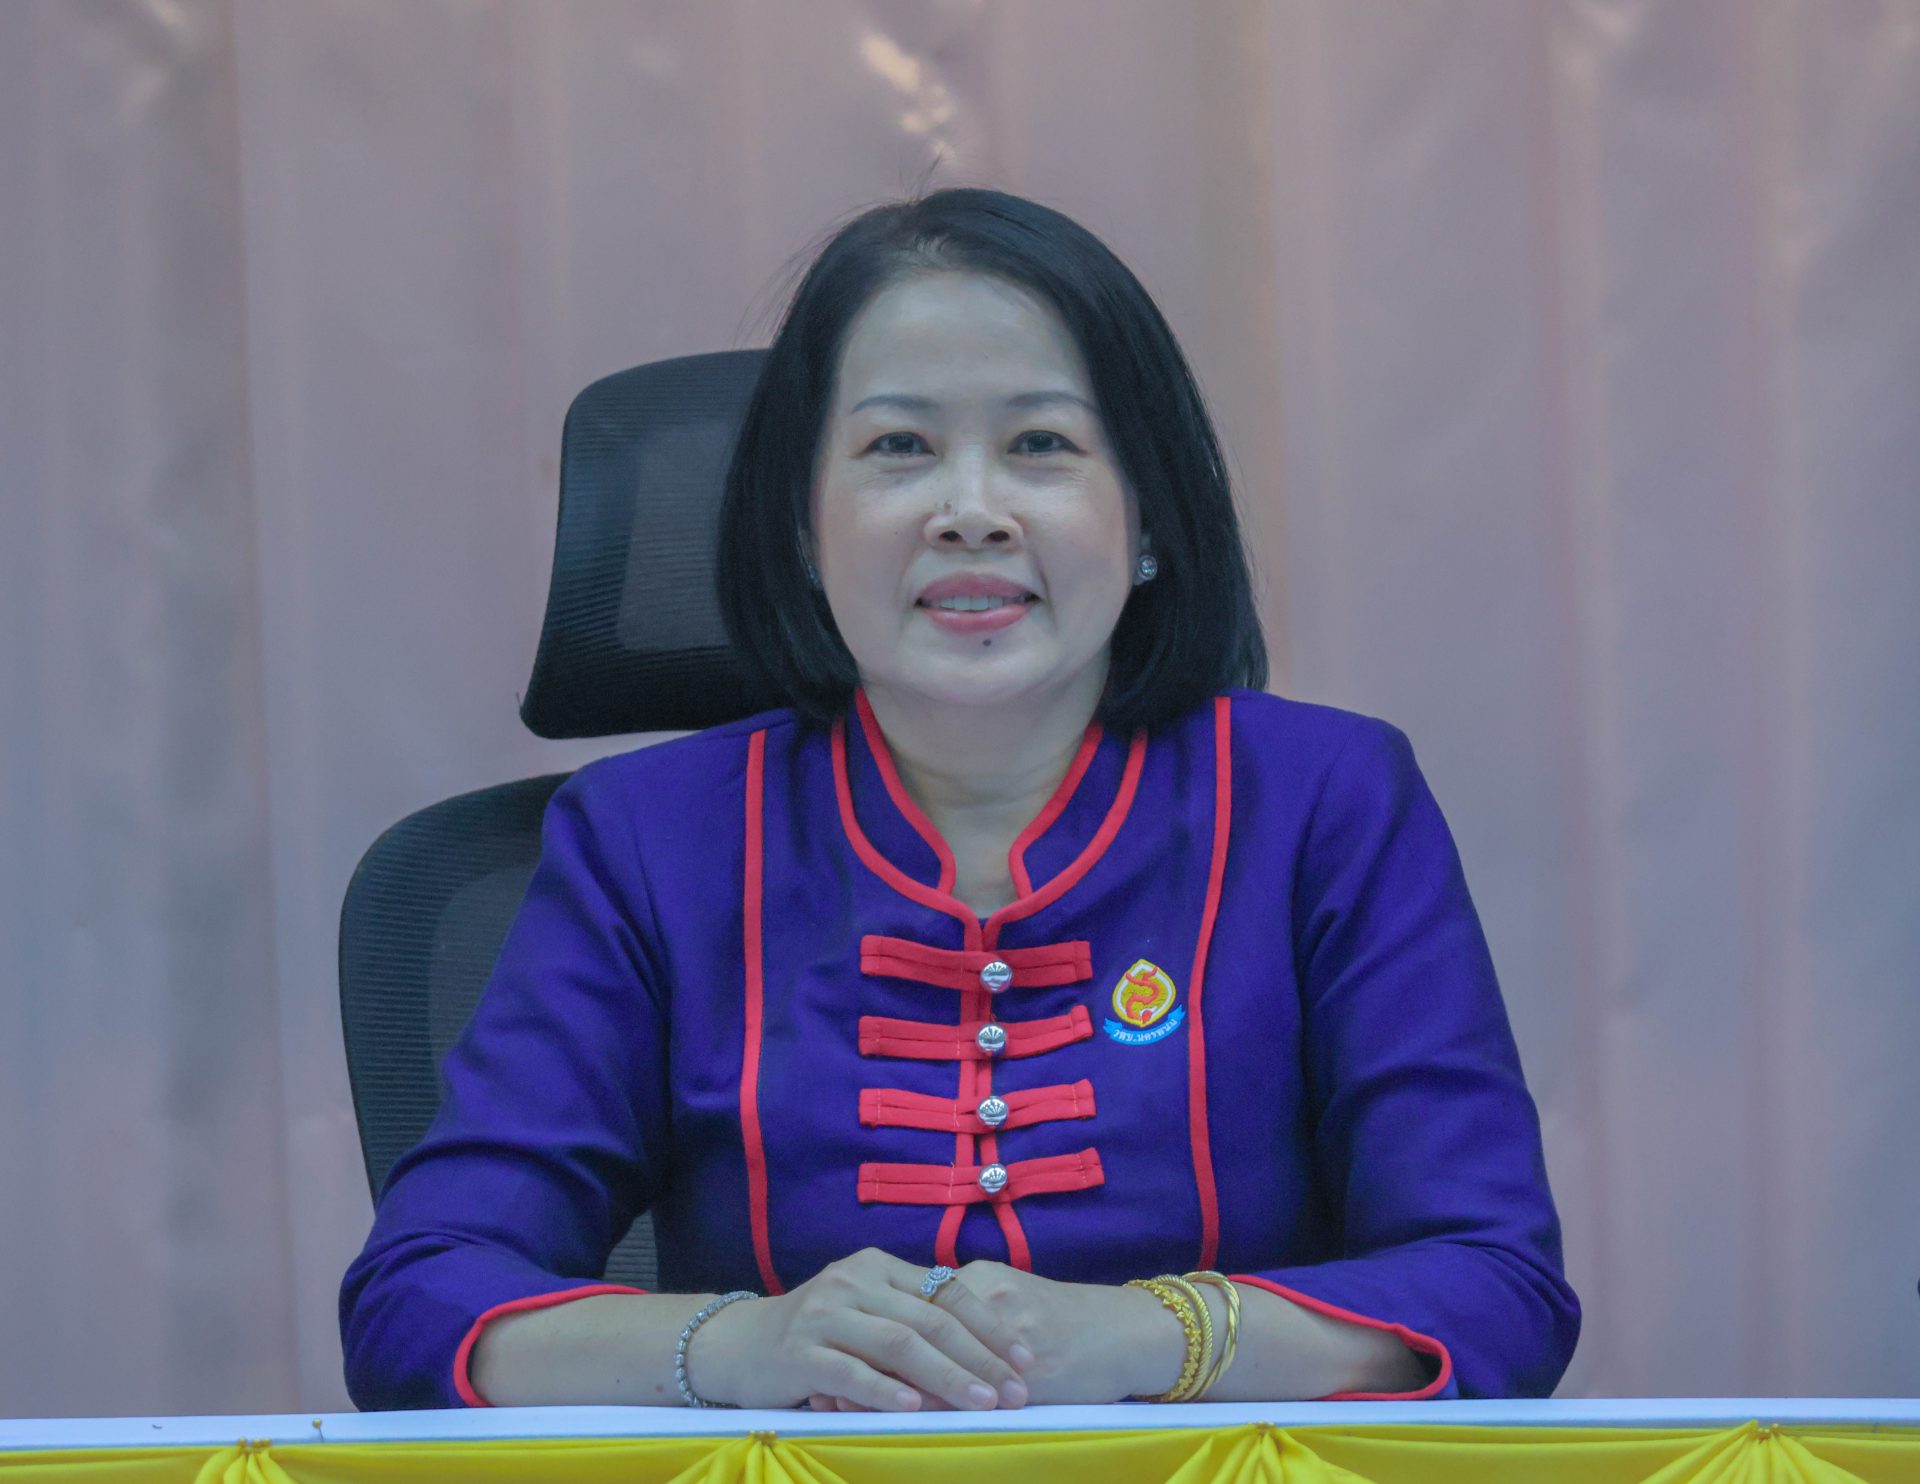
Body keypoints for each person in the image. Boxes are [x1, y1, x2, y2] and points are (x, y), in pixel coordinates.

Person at [340, 187, 1580, 1412]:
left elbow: (1495, 1286)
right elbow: (419, 1298)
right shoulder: (649, 839)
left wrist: (1160, 1332)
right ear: (801, 526)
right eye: (899, 448)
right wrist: (742, 1344)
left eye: (1042, 444)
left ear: (1149, 517)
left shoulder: (1324, 802)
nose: (971, 512)